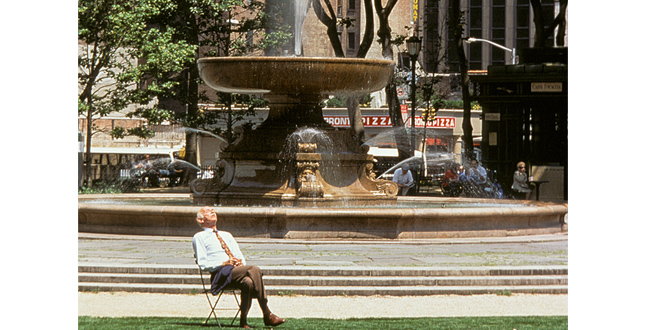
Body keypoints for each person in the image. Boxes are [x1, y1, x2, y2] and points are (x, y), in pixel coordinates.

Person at [193, 206, 286, 329]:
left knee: (248, 282)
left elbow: (239, 255)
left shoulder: (227, 235)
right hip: (220, 274)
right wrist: (223, 263)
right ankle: (267, 313)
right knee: (254, 269)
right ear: (201, 220)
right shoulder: (199, 237)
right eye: (207, 211)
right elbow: (203, 263)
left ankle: (243, 321)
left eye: (213, 210)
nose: (212, 211)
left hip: (236, 272)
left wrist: (239, 263)